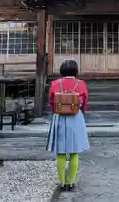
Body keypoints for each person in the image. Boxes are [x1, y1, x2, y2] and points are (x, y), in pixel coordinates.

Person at [46, 59, 90, 191]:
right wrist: (81, 111)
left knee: (60, 153)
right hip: (75, 117)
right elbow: (85, 101)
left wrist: (56, 111)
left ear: (62, 70)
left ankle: (61, 182)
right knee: (74, 153)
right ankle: (71, 181)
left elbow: (51, 102)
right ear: (76, 71)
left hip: (59, 117)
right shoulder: (81, 84)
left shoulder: (55, 84)